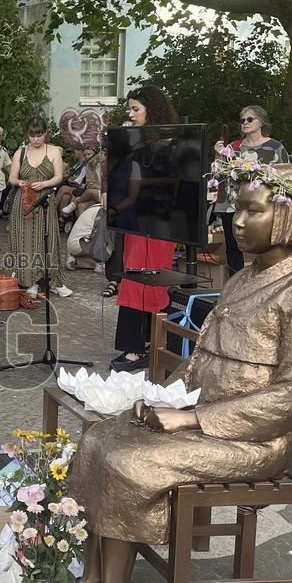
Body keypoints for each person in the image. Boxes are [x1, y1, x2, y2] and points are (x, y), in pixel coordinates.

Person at [67, 163, 292, 583]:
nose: (236, 220)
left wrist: (191, 417)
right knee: (95, 437)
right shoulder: (242, 279)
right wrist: (162, 397)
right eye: (239, 208)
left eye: (252, 210)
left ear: (291, 218)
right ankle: (95, 578)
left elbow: (291, 398)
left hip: (254, 439)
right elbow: (202, 358)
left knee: (130, 461)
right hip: (200, 417)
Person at [106, 86, 179, 371]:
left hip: (158, 222)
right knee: (134, 277)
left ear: (152, 109)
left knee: (145, 280)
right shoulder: (138, 143)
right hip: (137, 221)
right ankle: (140, 344)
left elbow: (173, 185)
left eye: (136, 109)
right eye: (130, 109)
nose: (130, 114)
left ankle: (140, 348)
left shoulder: (170, 144)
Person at [213, 105, 289, 275]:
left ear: (261, 122)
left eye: (249, 119)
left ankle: (266, 280)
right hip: (232, 204)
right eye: (242, 120)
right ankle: (236, 284)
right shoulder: (233, 147)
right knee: (233, 247)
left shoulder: (275, 147)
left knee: (265, 244)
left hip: (262, 205)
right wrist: (218, 156)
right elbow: (218, 178)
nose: (245, 123)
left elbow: (286, 176)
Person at [5, 116, 71, 296]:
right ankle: (29, 282)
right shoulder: (21, 151)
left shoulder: (54, 151)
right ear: (28, 135)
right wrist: (19, 183)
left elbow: (59, 176)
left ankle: (54, 281)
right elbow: (12, 177)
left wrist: (45, 184)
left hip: (44, 200)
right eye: (32, 135)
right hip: (24, 201)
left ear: (45, 134)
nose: (35, 139)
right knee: (25, 241)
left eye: (39, 135)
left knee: (49, 239)